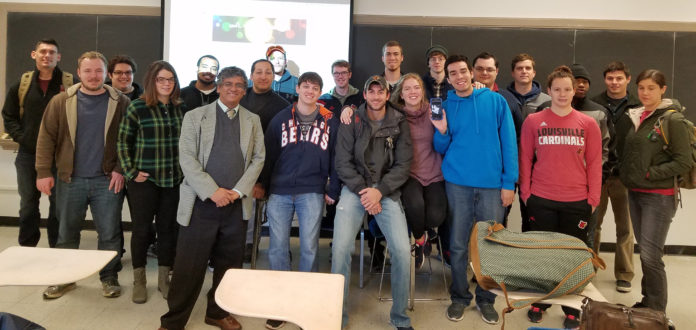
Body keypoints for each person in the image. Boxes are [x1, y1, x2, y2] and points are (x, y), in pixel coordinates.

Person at [159, 66, 264, 330]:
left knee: (228, 266)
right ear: (218, 86)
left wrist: (238, 191)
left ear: (245, 89)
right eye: (228, 84)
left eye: (239, 85)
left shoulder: (253, 120)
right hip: (200, 204)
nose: (233, 89)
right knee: (188, 267)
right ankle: (173, 321)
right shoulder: (195, 116)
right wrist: (213, 191)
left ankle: (217, 312)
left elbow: (258, 158)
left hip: (236, 206)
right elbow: (187, 158)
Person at [35, 51, 130, 299]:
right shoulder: (60, 101)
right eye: (87, 70)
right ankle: (66, 279)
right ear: (78, 73)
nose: (93, 75)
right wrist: (43, 172)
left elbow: (129, 141)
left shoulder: (120, 102)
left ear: (106, 74)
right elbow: (46, 138)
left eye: (98, 70)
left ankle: (109, 277)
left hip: (106, 180)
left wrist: (120, 169)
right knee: (67, 232)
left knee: (109, 233)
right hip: (70, 180)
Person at [432, 55, 516, 325]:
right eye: (452, 73)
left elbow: (509, 145)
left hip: (492, 187)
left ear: (472, 73)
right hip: (457, 185)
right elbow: (440, 147)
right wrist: (442, 131)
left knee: (490, 246)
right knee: (457, 245)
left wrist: (508, 183)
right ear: (447, 77)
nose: (459, 77)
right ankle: (459, 296)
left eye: (462, 71)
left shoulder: (495, 101)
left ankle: (486, 298)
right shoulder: (445, 106)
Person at [519, 66, 602, 330]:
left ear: (574, 90)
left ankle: (570, 306)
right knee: (543, 254)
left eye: (568, 89)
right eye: (557, 89)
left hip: (577, 201)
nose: (563, 94)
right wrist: (526, 193)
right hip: (541, 198)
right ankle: (541, 301)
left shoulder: (588, 123)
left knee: (571, 257)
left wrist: (593, 198)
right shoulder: (534, 121)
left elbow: (595, 163)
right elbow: (525, 159)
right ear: (549, 90)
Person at [331, 75, 414, 330]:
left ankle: (399, 317)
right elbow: (342, 163)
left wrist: (380, 192)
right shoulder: (352, 118)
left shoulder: (400, 121)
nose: (376, 96)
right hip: (354, 190)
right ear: (364, 95)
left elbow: (403, 165)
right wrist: (365, 192)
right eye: (371, 92)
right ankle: (337, 317)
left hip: (386, 192)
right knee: (340, 250)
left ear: (387, 95)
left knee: (401, 252)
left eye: (381, 92)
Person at [261, 72, 340, 329]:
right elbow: (268, 154)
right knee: (277, 247)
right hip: (280, 190)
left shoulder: (330, 120)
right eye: (305, 86)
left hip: (312, 190)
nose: (309, 91)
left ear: (320, 92)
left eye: (315, 88)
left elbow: (337, 156)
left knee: (309, 246)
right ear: (298, 88)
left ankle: (306, 301)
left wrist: (333, 188)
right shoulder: (281, 118)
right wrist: (263, 185)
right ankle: (280, 304)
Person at [616, 69, 690, 320]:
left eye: (651, 88)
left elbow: (683, 161)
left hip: (659, 196)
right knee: (645, 252)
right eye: (641, 88)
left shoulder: (673, 120)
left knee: (651, 255)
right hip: (636, 192)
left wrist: (649, 174)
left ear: (663, 89)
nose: (645, 92)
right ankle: (647, 302)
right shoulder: (639, 115)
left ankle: (657, 312)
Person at [117, 60, 184, 303]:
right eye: (161, 79)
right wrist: (131, 172)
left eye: (171, 79)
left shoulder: (181, 109)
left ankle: (164, 280)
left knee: (168, 231)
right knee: (142, 231)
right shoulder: (137, 107)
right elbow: (123, 142)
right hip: (144, 181)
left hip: (173, 180)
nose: (166, 84)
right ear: (152, 81)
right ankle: (139, 281)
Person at [2, 38, 75, 248]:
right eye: (43, 51)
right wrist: (23, 138)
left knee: (58, 206)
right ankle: (27, 248)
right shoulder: (22, 85)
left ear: (58, 57)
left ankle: (57, 248)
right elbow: (9, 116)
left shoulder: (70, 83)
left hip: (60, 156)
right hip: (27, 155)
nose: (47, 56)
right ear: (34, 55)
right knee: (28, 205)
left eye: (52, 52)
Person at [591, 61, 640, 293]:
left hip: (625, 177)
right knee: (593, 225)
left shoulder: (639, 105)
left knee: (625, 228)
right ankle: (589, 269)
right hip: (598, 175)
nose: (614, 82)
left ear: (627, 79)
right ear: (605, 80)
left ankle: (624, 274)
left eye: (619, 78)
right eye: (610, 78)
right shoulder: (595, 104)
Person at [390, 73, 446, 269]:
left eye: (416, 87)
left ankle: (427, 231)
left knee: (435, 217)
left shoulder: (435, 109)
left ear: (422, 91)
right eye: (407, 89)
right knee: (414, 205)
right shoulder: (395, 115)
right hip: (409, 173)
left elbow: (445, 139)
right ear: (401, 94)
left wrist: (442, 130)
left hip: (434, 172)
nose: (412, 92)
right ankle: (421, 241)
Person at [239, 58, 290, 262]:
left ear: (273, 75)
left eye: (268, 72)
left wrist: (262, 181)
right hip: (235, 166)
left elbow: (279, 148)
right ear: (251, 76)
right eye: (258, 72)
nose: (263, 76)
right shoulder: (238, 98)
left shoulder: (283, 106)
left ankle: (250, 243)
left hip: (264, 169)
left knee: (252, 208)